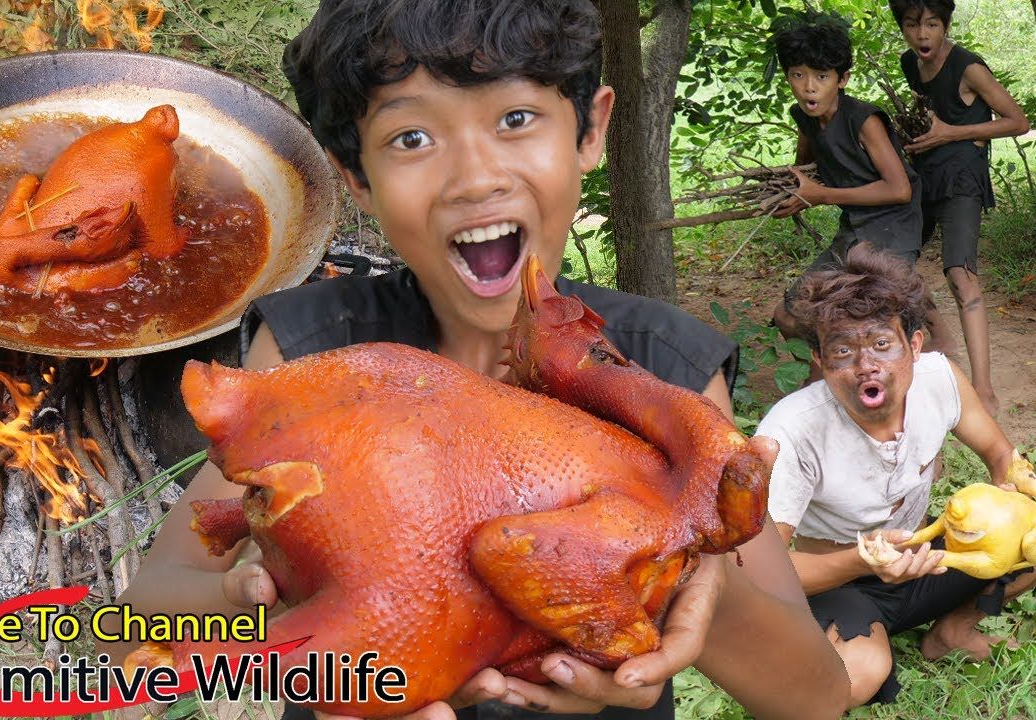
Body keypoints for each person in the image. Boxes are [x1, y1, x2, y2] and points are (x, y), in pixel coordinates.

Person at [108, 2, 850, 719]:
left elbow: (814, 698)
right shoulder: (316, 350)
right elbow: (147, 611)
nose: (474, 178)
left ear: (591, 129)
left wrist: (681, 582)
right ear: (357, 178)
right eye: (411, 139)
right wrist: (253, 604)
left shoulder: (657, 369)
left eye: (516, 119)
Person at [755, 243, 1036, 709]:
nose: (867, 365)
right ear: (820, 361)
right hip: (841, 583)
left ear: (916, 344)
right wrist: (864, 562)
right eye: (843, 350)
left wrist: (1022, 488)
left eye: (882, 344)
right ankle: (840, 641)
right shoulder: (791, 431)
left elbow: (999, 454)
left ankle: (953, 630)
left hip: (925, 560)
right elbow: (764, 574)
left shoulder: (939, 378)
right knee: (858, 678)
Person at [890, 0, 1031, 417]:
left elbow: (1017, 121)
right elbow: (925, 118)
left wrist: (953, 133)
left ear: (945, 25)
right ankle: (941, 336)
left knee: (960, 274)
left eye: (932, 24)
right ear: (903, 28)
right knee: (893, 263)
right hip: (923, 176)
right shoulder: (908, 64)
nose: (922, 35)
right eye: (913, 26)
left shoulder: (968, 67)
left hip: (962, 179)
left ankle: (984, 391)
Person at [766, 12, 923, 349]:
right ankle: (827, 379)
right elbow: (805, 163)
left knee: (873, 319)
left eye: (821, 76)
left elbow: (899, 189)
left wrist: (821, 195)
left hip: (893, 229)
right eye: (798, 75)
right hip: (854, 229)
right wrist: (791, 192)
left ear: (843, 79)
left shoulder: (863, 120)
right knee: (789, 313)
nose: (809, 86)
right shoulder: (804, 116)